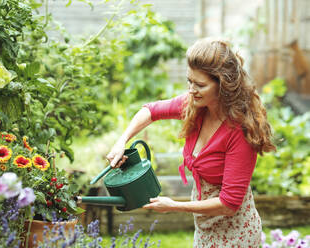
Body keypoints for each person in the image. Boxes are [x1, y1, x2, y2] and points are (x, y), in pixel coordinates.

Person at [106, 38, 276, 247]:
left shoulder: (239, 131)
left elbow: (229, 204)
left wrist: (175, 206)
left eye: (200, 84)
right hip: (205, 225)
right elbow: (150, 110)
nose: (192, 89)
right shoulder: (195, 106)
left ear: (223, 85)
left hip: (236, 233)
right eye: (189, 81)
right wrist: (121, 141)